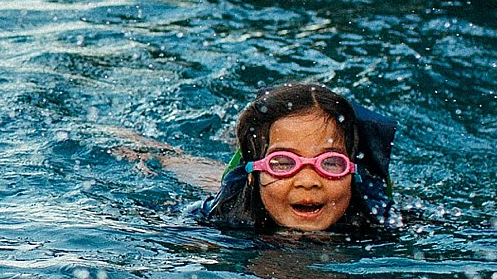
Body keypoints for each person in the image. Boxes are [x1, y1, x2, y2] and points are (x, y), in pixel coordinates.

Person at [115, 81, 396, 236]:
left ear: (351, 171)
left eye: (330, 163)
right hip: (243, 193)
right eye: (284, 163)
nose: (309, 181)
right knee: (209, 177)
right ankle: (158, 152)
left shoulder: (379, 223)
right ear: (255, 172)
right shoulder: (219, 221)